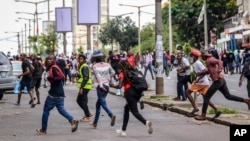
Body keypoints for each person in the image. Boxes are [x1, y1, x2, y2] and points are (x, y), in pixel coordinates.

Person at [195, 51, 250, 120]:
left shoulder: (210, 59)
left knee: (206, 97)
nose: (201, 58)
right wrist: (202, 73)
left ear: (204, 56)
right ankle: (246, 101)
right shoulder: (208, 61)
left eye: (202, 56)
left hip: (218, 81)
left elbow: (220, 62)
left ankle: (203, 115)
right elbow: (210, 70)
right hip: (221, 80)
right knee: (228, 96)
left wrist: (220, 69)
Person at [36, 55, 78, 134]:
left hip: (54, 94)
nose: (49, 60)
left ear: (54, 60)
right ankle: (72, 120)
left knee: (46, 110)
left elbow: (61, 77)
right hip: (60, 93)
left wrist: (50, 79)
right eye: (48, 59)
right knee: (61, 109)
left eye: (51, 59)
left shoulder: (54, 68)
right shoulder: (54, 67)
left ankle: (43, 129)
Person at [110, 61, 153, 136]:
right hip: (138, 93)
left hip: (130, 93)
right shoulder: (134, 71)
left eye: (119, 68)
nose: (119, 69)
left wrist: (112, 86)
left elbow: (120, 86)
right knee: (126, 109)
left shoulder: (123, 73)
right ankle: (123, 130)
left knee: (135, 112)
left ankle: (146, 122)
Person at [186, 49, 221, 119]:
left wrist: (198, 78)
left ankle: (195, 108)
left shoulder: (198, 63)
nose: (190, 58)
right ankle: (217, 110)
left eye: (191, 56)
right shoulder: (196, 63)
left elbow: (204, 71)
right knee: (206, 98)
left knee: (187, 92)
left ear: (194, 57)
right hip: (204, 82)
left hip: (200, 82)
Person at [89, 50, 116, 128]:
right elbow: (113, 72)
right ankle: (95, 123)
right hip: (106, 86)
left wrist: (101, 85)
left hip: (100, 87)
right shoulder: (107, 64)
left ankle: (111, 115)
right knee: (98, 105)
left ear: (95, 59)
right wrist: (108, 79)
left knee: (102, 102)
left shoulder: (95, 66)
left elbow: (98, 76)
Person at [76, 54, 93, 122]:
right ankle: (87, 113)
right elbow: (83, 76)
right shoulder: (82, 66)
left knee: (83, 101)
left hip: (85, 86)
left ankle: (87, 116)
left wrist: (81, 88)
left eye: (81, 59)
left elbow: (85, 78)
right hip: (84, 86)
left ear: (84, 60)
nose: (80, 60)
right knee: (79, 101)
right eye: (79, 59)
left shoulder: (85, 66)